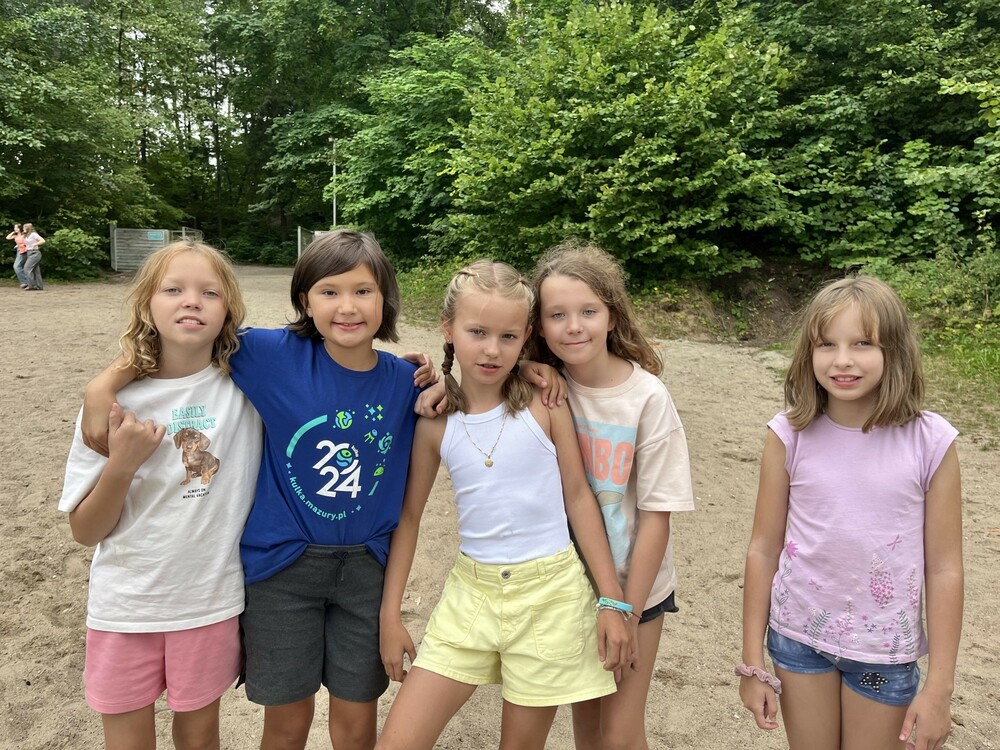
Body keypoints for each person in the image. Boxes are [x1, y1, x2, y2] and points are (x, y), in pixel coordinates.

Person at [82, 230, 442, 750]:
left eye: (363, 291)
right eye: (329, 291)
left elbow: (464, 399)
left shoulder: (406, 383)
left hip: (367, 572)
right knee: (288, 724)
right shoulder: (271, 354)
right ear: (305, 301)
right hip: (282, 569)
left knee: (355, 724)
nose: (347, 306)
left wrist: (440, 381)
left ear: (385, 298)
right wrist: (103, 383)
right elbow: (186, 335)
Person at [376, 260, 634, 750]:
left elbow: (579, 498)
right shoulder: (434, 422)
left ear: (526, 337)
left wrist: (610, 599)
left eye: (508, 337)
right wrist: (391, 616)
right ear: (448, 328)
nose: (492, 350)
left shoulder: (545, 403)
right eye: (477, 332)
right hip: (470, 597)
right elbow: (408, 520)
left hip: (551, 596)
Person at [739, 276, 964, 750]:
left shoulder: (931, 442)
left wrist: (939, 688)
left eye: (863, 343)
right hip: (798, 640)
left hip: (884, 654)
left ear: (894, 350)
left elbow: (945, 568)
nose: (842, 360)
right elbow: (763, 548)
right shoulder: (788, 434)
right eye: (827, 344)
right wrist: (752, 661)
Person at [58, 240, 264, 749]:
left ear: (229, 310)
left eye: (209, 292)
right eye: (173, 289)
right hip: (125, 607)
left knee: (200, 738)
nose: (191, 300)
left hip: (209, 604)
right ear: (147, 303)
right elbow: (84, 531)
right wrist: (122, 463)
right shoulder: (113, 406)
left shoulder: (248, 386)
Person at [528, 242, 696, 750]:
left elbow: (657, 517)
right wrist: (525, 369)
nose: (573, 326)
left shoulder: (647, 398)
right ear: (539, 326)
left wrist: (626, 610)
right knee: (589, 730)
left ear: (612, 316)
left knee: (620, 733)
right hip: (570, 587)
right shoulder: (542, 389)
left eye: (588, 311)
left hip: (635, 590)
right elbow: (478, 371)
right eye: (557, 314)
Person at [22, 222, 45, 290]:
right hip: (29, 252)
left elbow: (42, 240)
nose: (23, 229)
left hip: (34, 253)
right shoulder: (26, 235)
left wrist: (35, 244)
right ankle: (39, 286)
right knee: (35, 270)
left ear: (27, 228)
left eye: (24, 227)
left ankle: (31, 285)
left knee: (26, 268)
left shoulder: (33, 234)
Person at [6, 223, 28, 288]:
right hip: (19, 252)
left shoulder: (24, 234)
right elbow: (7, 237)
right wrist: (13, 232)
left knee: (17, 266)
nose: (15, 229)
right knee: (19, 267)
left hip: (25, 251)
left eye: (17, 228)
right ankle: (26, 282)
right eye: (14, 227)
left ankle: (25, 282)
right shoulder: (15, 236)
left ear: (20, 228)